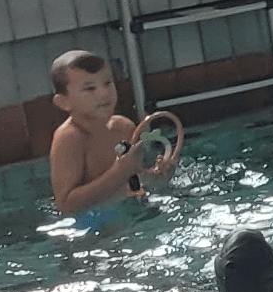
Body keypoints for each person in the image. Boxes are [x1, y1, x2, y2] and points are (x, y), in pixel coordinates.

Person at [48, 51, 179, 219]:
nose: (103, 93)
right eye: (90, 88)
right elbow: (65, 205)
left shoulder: (124, 127)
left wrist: (159, 174)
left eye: (108, 83)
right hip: (91, 223)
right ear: (63, 102)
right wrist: (120, 172)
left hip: (129, 210)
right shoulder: (69, 138)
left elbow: (137, 178)